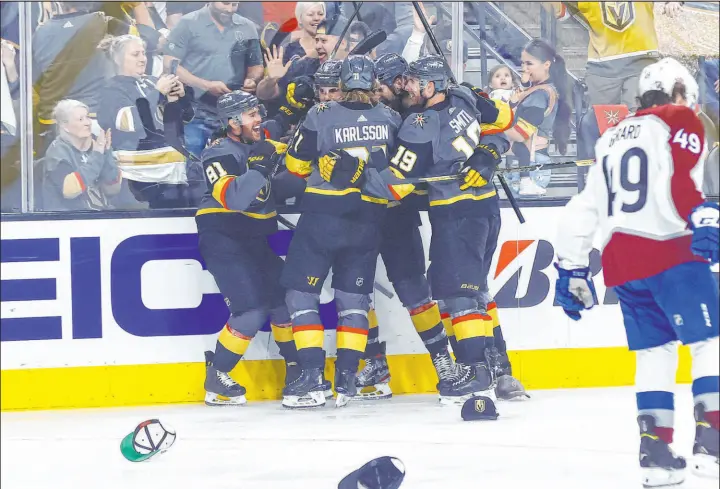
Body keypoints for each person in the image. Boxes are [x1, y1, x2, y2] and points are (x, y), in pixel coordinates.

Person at [553, 58, 719, 487]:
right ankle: (712, 441)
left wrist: (572, 267)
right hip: (670, 249)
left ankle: (656, 455)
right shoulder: (680, 118)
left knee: (654, 353)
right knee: (709, 342)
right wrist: (700, 215)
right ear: (680, 91)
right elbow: (682, 181)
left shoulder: (609, 138)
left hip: (621, 263)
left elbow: (581, 208)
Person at [387, 55, 516, 406]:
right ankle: (499, 366)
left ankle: (475, 374)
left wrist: (348, 180)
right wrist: (491, 148)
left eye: (414, 82)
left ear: (431, 86)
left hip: (455, 214)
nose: (408, 87)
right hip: (487, 209)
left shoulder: (419, 122)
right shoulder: (465, 96)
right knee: (475, 291)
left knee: (461, 297)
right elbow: (505, 120)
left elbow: (395, 185)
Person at [281, 55, 402, 408]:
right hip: (369, 219)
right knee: (354, 301)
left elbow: (296, 165)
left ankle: (313, 378)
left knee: (301, 296)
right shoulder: (391, 118)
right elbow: (400, 176)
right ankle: (348, 378)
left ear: (344, 83)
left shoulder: (321, 115)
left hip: (323, 216)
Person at [197, 89, 314, 406]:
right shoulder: (218, 153)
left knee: (282, 302)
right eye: (251, 115)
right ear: (233, 123)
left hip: (253, 239)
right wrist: (261, 168)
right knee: (251, 308)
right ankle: (217, 376)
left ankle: (295, 371)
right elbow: (234, 199)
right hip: (223, 236)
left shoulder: (257, 141)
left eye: (257, 112)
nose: (258, 119)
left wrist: (294, 105)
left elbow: (276, 125)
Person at [96, 34, 195, 209]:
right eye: (135, 55)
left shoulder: (153, 82)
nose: (142, 59)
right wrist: (157, 93)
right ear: (118, 59)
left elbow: (184, 120)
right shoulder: (109, 91)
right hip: (138, 184)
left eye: (143, 54)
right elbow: (130, 123)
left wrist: (179, 98)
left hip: (174, 178)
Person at [164, 2, 264, 160]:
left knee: (235, 163)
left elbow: (256, 65)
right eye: (225, 3)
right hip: (195, 111)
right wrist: (205, 85)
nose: (229, 9)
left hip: (235, 115)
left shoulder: (247, 26)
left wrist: (251, 79)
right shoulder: (188, 23)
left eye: (234, 4)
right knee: (193, 165)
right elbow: (170, 63)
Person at [501, 39, 571, 198]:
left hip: (531, 166)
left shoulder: (540, 95)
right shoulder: (535, 90)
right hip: (525, 164)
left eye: (529, 64)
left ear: (546, 64)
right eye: (522, 63)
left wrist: (493, 128)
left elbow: (520, 134)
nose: (524, 68)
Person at [40, 99, 122, 211]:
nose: (88, 122)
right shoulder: (57, 152)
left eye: (88, 117)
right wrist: (97, 155)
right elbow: (69, 191)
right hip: (70, 220)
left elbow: (113, 189)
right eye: (80, 119)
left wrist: (106, 153)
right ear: (65, 126)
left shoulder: (96, 143)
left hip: (103, 215)